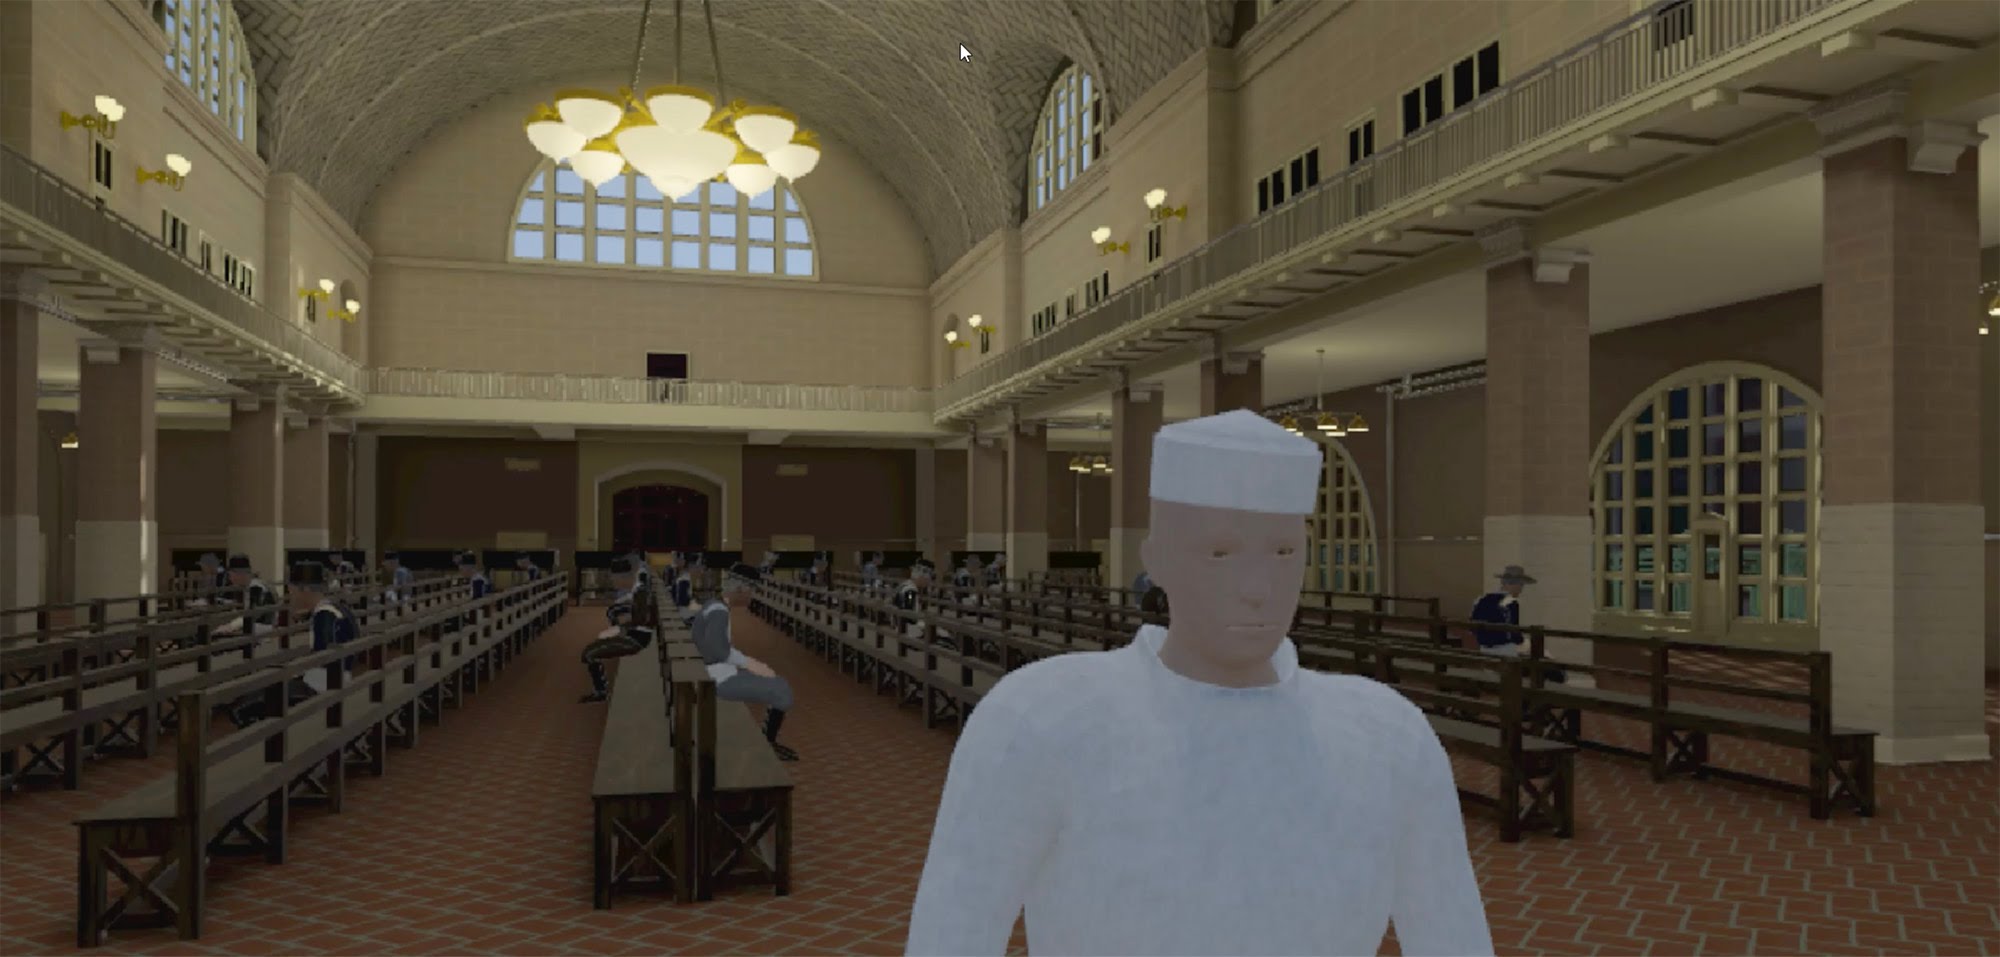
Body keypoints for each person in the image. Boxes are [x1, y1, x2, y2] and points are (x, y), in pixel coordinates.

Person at [906, 409, 1492, 957]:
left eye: (1285, 551)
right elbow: (956, 927)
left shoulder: (1386, 730)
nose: (1258, 586)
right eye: (1220, 552)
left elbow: (1451, 931)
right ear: (1155, 558)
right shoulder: (1041, 715)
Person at [691, 564, 799, 761]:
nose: (752, 596)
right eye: (752, 591)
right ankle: (767, 744)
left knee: (776, 682)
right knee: (782, 691)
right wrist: (750, 663)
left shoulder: (715, 605)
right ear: (741, 588)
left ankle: (767, 740)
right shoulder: (718, 611)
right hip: (717, 678)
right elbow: (718, 650)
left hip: (711, 671)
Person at [1466, 565, 1566, 684]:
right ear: (1514, 584)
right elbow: (1515, 635)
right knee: (1549, 667)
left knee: (1540, 658)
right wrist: (1525, 643)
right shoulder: (1511, 603)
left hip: (1485, 652)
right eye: (1521, 585)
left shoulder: (1481, 599)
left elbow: (1472, 628)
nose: (1521, 589)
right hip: (1507, 655)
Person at [578, 556, 655, 703]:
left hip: (637, 639)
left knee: (589, 654)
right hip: (634, 633)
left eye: (615, 579)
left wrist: (619, 629)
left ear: (625, 577)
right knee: (611, 614)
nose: (614, 583)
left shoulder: (641, 592)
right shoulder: (638, 589)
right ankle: (601, 689)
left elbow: (644, 620)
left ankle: (601, 691)